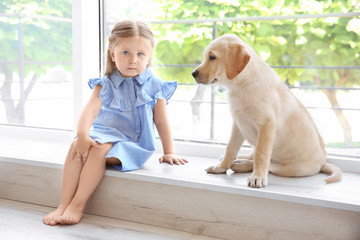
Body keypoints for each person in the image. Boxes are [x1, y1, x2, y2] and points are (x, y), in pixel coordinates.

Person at [43, 20, 188, 226]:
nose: (133, 60)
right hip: (103, 136)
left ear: (148, 56)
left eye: (140, 54)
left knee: (99, 148)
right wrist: (83, 136)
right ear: (113, 54)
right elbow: (89, 112)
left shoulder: (155, 86)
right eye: (126, 53)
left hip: (132, 145)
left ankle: (78, 204)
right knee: (77, 144)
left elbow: (162, 122)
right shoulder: (106, 84)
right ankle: (63, 203)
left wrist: (169, 151)